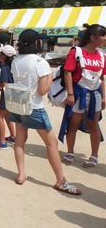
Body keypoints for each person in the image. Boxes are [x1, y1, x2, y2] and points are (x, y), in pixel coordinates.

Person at [10, 29, 81, 195]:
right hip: (34, 107)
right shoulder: (40, 63)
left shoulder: (15, 60)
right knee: (51, 143)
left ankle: (21, 174)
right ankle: (60, 180)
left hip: (18, 105)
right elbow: (42, 91)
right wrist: (50, 78)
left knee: (20, 140)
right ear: (37, 43)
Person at [59, 24, 106, 168]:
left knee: (93, 124)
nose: (105, 38)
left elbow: (102, 78)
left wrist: (103, 96)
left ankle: (94, 155)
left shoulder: (102, 55)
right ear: (93, 37)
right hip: (78, 93)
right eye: (102, 35)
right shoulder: (76, 52)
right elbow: (68, 72)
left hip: (94, 95)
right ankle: (70, 152)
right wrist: (71, 93)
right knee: (73, 123)